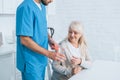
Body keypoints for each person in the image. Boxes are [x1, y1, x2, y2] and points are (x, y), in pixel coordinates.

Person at [16, 0, 65, 80]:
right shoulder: (25, 7)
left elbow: (41, 27)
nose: (52, 1)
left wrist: (49, 39)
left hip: (41, 59)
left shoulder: (42, 6)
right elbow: (24, 39)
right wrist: (49, 54)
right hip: (31, 62)